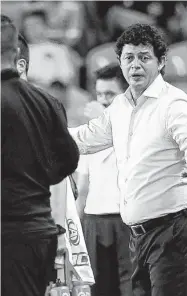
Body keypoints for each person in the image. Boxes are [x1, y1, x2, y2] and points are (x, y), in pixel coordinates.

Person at [69, 24, 187, 296]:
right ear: (121, 63)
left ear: (161, 62)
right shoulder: (120, 107)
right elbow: (85, 138)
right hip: (140, 235)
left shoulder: (173, 102)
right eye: (129, 58)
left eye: (144, 57)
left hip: (176, 231)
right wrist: (40, 129)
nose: (135, 65)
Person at [1, 16, 79, 296]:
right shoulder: (46, 101)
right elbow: (69, 160)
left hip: (7, 234)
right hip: (39, 232)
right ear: (14, 54)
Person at [75, 64, 131, 296]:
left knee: (131, 288)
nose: (103, 100)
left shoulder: (138, 126)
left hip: (128, 221)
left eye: (110, 94)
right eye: (99, 94)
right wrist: (75, 230)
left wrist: (108, 121)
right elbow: (84, 186)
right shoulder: (88, 132)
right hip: (93, 221)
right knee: (98, 289)